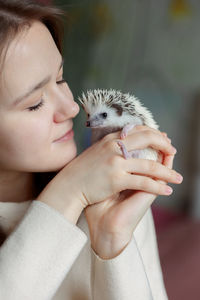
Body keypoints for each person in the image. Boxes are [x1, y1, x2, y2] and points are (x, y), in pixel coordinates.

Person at [0, 1, 183, 299]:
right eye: (35, 103)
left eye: (60, 78)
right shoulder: (90, 183)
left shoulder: (114, 190)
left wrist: (114, 241)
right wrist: (70, 192)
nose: (72, 108)